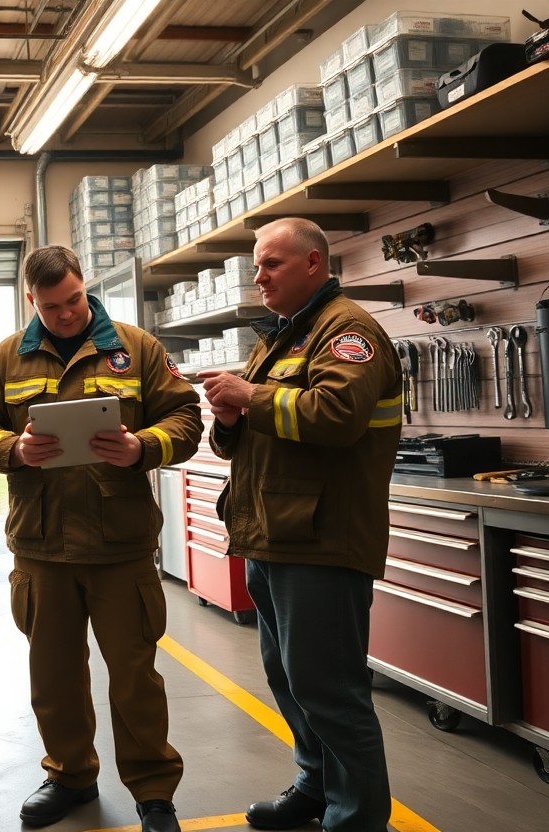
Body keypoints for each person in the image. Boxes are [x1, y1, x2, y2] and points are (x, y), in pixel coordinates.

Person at [0, 244, 203, 832]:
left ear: (83, 285)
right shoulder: (4, 360)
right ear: (30, 300)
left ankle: (153, 791)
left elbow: (186, 420)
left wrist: (143, 446)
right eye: (51, 307)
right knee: (55, 676)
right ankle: (69, 774)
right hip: (42, 549)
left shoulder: (136, 349)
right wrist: (10, 448)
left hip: (121, 546)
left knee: (135, 676)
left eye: (73, 301)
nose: (66, 315)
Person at [198, 218, 402, 832]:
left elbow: (336, 416)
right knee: (289, 680)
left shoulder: (348, 332)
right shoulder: (283, 337)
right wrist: (229, 417)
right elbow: (248, 436)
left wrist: (249, 398)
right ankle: (316, 789)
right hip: (273, 536)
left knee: (330, 692)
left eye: (271, 265)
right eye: (257, 266)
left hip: (322, 540)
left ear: (313, 264)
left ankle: (358, 820)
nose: (258, 277)